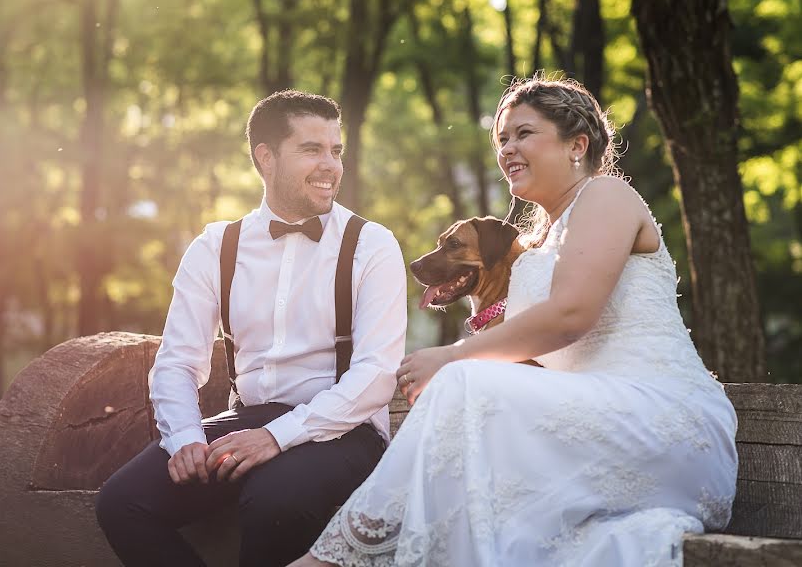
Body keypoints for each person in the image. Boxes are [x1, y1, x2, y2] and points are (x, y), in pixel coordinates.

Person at [291, 75, 738, 566]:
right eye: (501, 138)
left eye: (523, 134)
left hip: (660, 423)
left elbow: (570, 315)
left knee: (463, 381)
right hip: (586, 426)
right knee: (473, 458)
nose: (507, 149)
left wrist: (451, 355)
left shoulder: (607, 196)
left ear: (577, 144)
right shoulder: (535, 249)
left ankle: (330, 560)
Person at [95, 90, 407, 567]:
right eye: (311, 149)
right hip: (246, 419)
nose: (330, 165)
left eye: (335, 150)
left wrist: (277, 437)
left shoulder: (372, 245)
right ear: (266, 157)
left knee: (274, 498)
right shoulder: (215, 247)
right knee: (123, 503)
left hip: (342, 431)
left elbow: (376, 376)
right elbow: (177, 361)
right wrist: (185, 439)